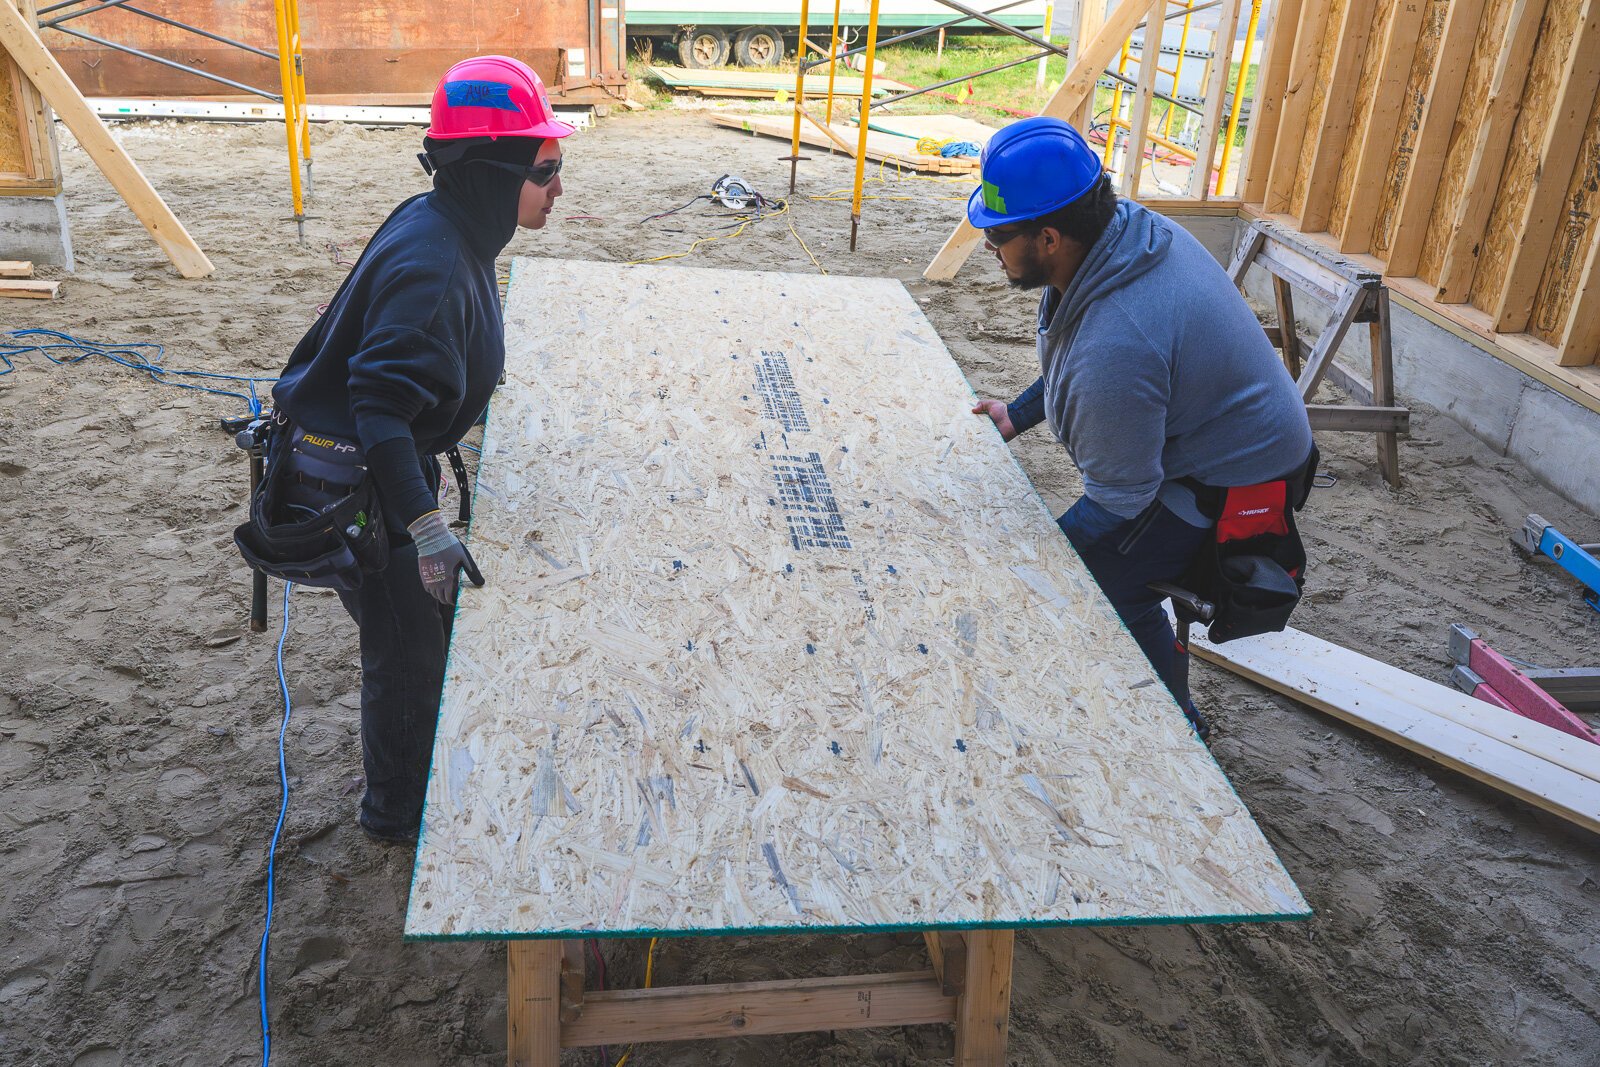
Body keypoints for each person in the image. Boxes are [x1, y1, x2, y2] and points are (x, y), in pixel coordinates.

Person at [267, 55, 572, 842]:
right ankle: (395, 818)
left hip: (373, 464)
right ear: (493, 171)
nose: (558, 189)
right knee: (406, 654)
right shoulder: (434, 265)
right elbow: (378, 402)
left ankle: (412, 771)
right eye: (545, 170)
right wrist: (425, 528)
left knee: (423, 635)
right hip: (350, 478)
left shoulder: (444, 219)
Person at [967, 117, 1314, 741]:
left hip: (1243, 476)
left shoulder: (1119, 340)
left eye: (998, 233)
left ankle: (1177, 728)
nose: (988, 244)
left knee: (1094, 582)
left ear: (1048, 238)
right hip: (1227, 428)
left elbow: (1120, 496)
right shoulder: (1118, 236)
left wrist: (1051, 551)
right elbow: (1084, 357)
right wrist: (1017, 413)